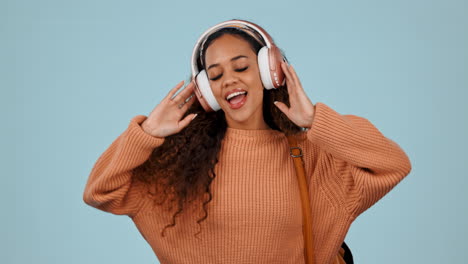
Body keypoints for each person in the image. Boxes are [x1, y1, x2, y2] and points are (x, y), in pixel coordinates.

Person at [83, 19, 412, 264]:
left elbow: (392, 164)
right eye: (215, 75)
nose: (229, 81)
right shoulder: (179, 163)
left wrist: (315, 121)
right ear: (206, 92)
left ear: (270, 72)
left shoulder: (311, 152)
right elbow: (100, 191)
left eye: (241, 66)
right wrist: (148, 133)